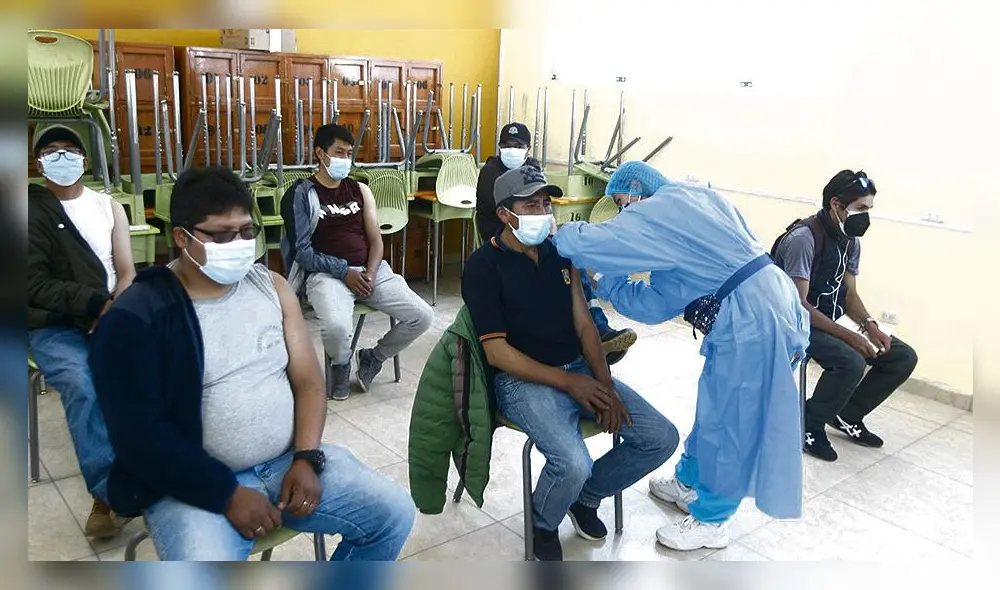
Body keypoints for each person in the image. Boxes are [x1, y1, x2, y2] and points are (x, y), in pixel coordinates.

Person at [89, 167, 415, 560]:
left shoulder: (270, 286)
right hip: (191, 485)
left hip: (286, 464)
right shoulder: (140, 314)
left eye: (246, 231)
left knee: (393, 515)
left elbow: (310, 381)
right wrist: (224, 494)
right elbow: (140, 437)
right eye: (223, 235)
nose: (240, 243)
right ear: (182, 237)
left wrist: (306, 456)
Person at [552, 161, 811, 551]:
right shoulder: (698, 198)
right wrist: (613, 283)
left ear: (637, 190)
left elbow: (600, 244)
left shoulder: (656, 210)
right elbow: (667, 292)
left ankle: (712, 521)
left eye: (622, 202)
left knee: (733, 422)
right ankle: (688, 481)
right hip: (767, 303)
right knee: (714, 408)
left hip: (754, 321)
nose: (624, 212)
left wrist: (564, 235)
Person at [462, 165, 679, 561]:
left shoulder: (562, 255)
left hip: (576, 367)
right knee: (573, 461)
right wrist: (569, 385)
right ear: (504, 214)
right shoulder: (483, 266)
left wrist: (605, 385)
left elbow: (584, 325)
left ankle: (585, 498)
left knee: (660, 437)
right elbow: (498, 352)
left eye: (546, 203)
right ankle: (542, 520)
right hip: (521, 380)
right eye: (530, 205)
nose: (543, 213)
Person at [27, 124, 135, 539]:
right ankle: (111, 494)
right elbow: (28, 283)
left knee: (153, 372)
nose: (61, 157)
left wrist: (111, 310)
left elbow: (125, 273)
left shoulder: (109, 207)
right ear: (38, 164)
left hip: (109, 311)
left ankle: (157, 463)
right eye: (51, 151)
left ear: (85, 160)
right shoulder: (29, 211)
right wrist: (90, 306)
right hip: (55, 323)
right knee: (83, 383)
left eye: (69, 150)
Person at [771, 170, 918, 462]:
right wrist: (849, 336)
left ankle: (847, 414)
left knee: (901, 355)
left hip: (831, 317)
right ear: (837, 205)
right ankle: (809, 422)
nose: (866, 217)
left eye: (869, 210)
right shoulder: (804, 238)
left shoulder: (851, 241)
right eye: (861, 209)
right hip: (796, 323)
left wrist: (869, 326)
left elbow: (849, 294)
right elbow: (798, 306)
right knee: (851, 361)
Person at [281, 123, 434, 400]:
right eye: (338, 152)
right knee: (338, 327)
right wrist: (343, 271)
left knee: (423, 316)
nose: (344, 159)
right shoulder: (302, 194)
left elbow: (376, 241)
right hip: (325, 275)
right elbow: (302, 252)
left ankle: (372, 357)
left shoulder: (360, 190)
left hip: (370, 271)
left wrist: (371, 273)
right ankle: (340, 365)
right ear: (320, 153)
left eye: (348, 153)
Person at [475, 122, 637, 365]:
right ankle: (585, 333)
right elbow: (512, 213)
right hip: (504, 237)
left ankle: (597, 330)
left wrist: (551, 233)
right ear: (499, 147)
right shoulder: (491, 172)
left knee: (570, 262)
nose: (512, 150)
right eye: (507, 146)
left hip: (532, 237)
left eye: (518, 146)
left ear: (528, 148)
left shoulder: (532, 168)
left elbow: (541, 210)